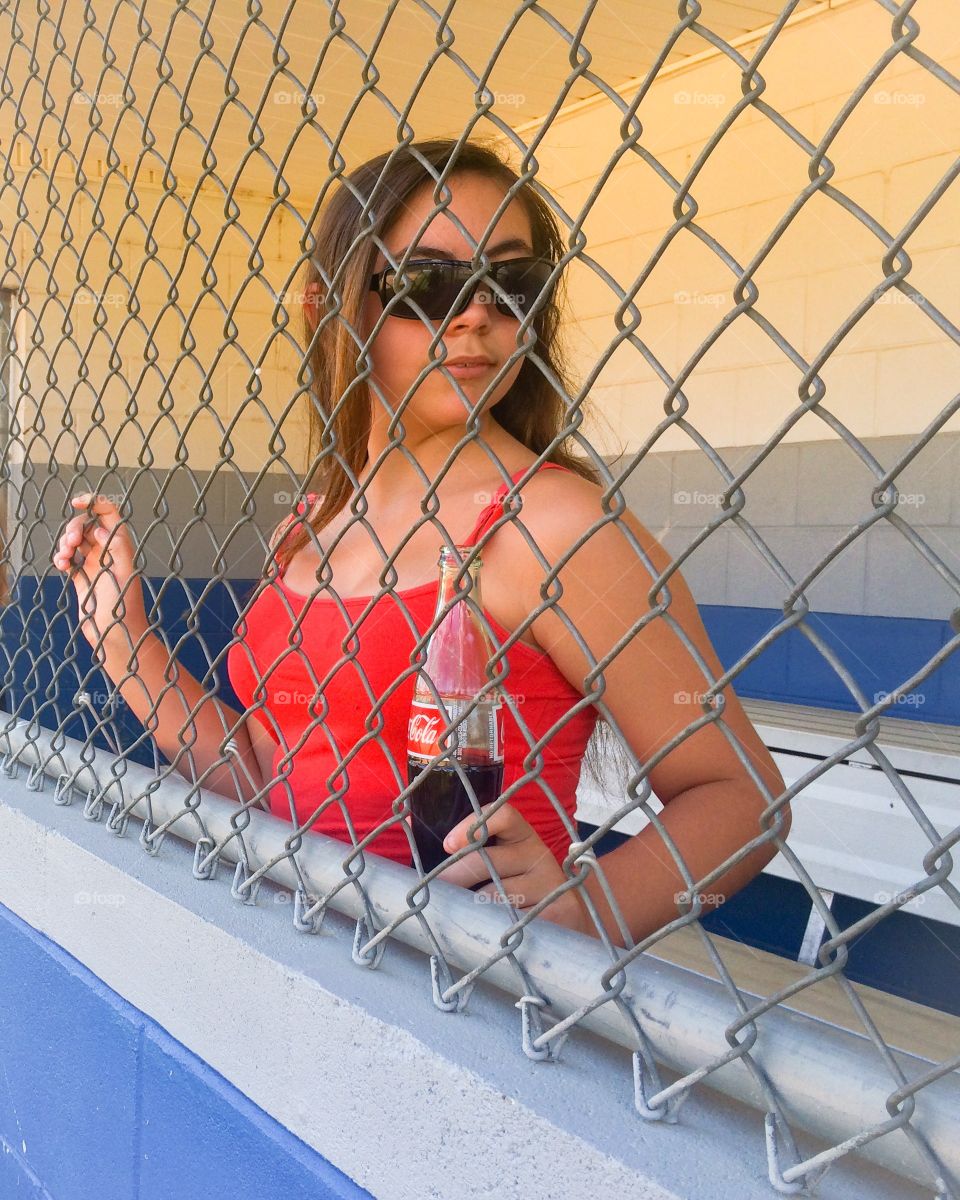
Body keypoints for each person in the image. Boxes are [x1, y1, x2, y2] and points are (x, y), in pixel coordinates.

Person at [52, 137, 788, 946]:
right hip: (286, 950)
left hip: (459, 991)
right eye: (429, 283)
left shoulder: (559, 529)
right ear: (333, 306)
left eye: (511, 283)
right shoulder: (309, 526)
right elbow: (266, 785)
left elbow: (740, 797)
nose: (475, 313)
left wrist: (581, 914)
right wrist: (127, 645)